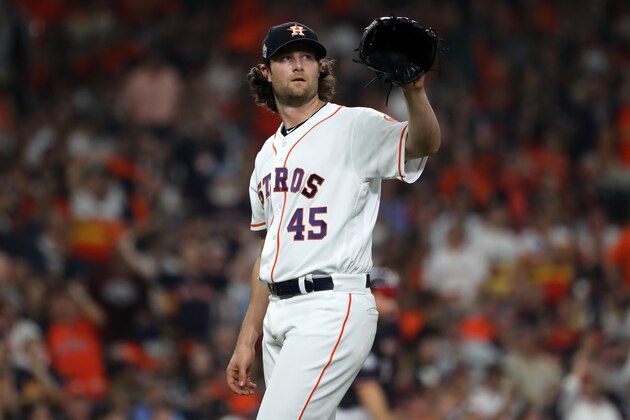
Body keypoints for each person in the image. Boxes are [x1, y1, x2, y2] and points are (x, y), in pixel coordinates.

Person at [226, 20, 441, 420]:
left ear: (321, 68)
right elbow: (269, 248)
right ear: (265, 72)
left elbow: (424, 142)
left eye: (307, 56)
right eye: (286, 57)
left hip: (331, 305)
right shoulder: (265, 156)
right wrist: (247, 336)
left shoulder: (353, 125)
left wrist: (415, 92)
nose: (298, 64)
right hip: (278, 314)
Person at [336, 267, 402, 420]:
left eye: (394, 295)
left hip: (368, 410)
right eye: (386, 295)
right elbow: (366, 387)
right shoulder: (354, 328)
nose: (393, 304)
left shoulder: (388, 327)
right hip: (345, 412)